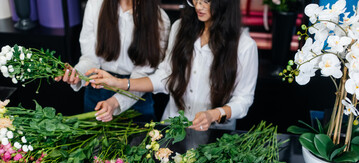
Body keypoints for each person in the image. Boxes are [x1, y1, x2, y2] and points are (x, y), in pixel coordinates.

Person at [86, 0, 258, 131]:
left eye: (206, 1)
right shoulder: (180, 29)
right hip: (173, 124)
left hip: (217, 133)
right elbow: (164, 78)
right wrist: (119, 83)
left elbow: (244, 99)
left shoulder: (244, 46)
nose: (198, 5)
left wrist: (214, 114)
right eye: (195, 0)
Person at [55, 0, 171, 122]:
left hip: (135, 96)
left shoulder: (160, 20)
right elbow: (90, 58)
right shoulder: (95, 5)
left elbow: (143, 75)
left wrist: (115, 102)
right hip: (97, 88)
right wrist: (77, 74)